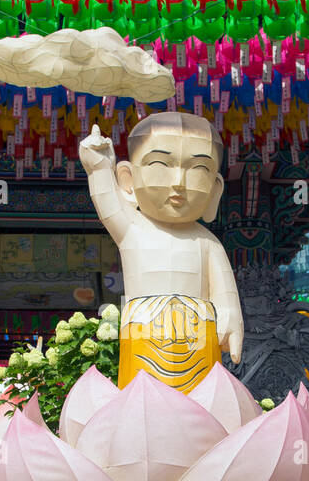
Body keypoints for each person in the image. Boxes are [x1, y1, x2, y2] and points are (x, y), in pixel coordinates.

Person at [78, 113, 243, 393]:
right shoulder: (132, 228)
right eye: (160, 164)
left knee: (201, 404)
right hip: (142, 336)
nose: (178, 182)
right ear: (127, 180)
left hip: (199, 339)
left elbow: (225, 295)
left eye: (198, 168)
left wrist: (230, 316)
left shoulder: (208, 243)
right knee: (141, 402)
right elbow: (107, 201)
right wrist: (99, 168)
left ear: (215, 189)